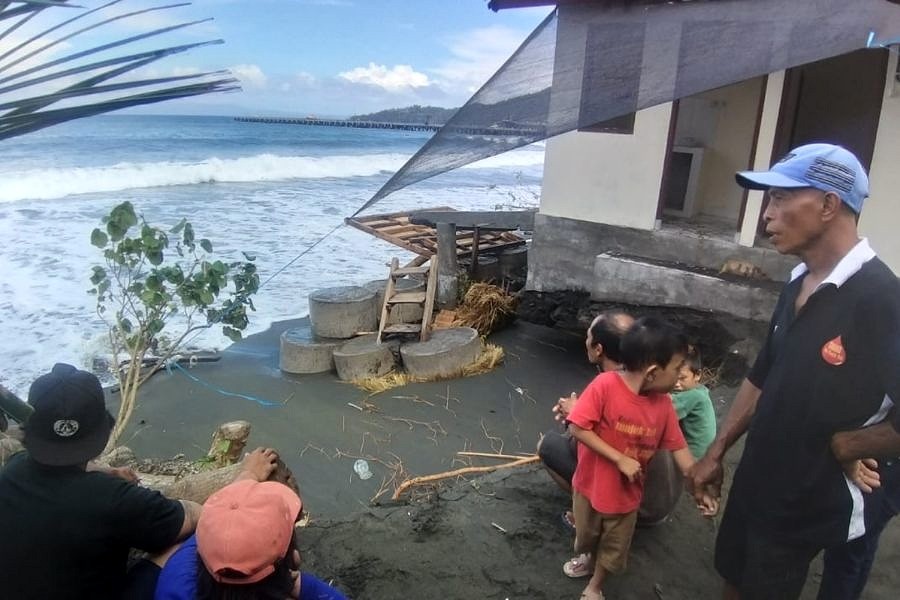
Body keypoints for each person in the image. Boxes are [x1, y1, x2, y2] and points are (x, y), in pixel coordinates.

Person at [687, 143, 900, 599]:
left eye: (781, 198)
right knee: (732, 575)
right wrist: (717, 451)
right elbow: (764, 373)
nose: (767, 213)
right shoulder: (796, 282)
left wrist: (852, 443)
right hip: (758, 478)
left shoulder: (881, 297)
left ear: (829, 205)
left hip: (807, 496)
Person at [0, 363, 205, 599]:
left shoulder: (12, 470)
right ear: (104, 429)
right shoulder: (114, 499)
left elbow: (61, 471)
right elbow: (193, 516)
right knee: (183, 545)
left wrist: (105, 471)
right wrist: (247, 477)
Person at [562, 316, 717, 600]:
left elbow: (680, 450)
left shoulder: (663, 407)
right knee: (587, 535)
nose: (681, 374)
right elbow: (577, 426)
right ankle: (589, 557)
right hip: (588, 486)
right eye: (677, 368)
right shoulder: (604, 386)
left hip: (626, 498)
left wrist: (699, 487)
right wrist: (619, 459)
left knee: (614, 545)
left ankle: (595, 585)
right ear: (653, 372)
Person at [154, 476, 348, 600]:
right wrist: (296, 584)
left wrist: (249, 476)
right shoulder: (287, 579)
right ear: (293, 556)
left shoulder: (177, 578)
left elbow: (212, 535)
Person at [537, 310, 634, 529]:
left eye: (589, 337)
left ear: (599, 349)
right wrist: (581, 410)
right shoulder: (642, 378)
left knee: (547, 445)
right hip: (656, 500)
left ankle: (589, 513)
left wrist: (576, 413)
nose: (586, 341)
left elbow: (595, 440)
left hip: (630, 501)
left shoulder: (607, 384)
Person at [671, 348, 716, 459]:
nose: (676, 384)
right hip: (704, 456)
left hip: (692, 458)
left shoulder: (694, 396)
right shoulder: (701, 390)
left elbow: (662, 413)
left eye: (682, 378)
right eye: (673, 378)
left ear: (697, 375)